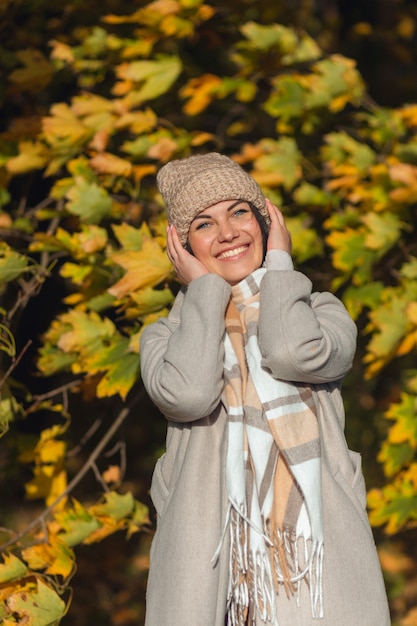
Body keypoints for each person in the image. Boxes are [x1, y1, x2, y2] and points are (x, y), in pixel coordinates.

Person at [139, 152, 391, 626]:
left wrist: (279, 264)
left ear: (265, 220)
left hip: (314, 563)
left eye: (239, 212)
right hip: (209, 563)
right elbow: (190, 394)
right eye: (204, 224)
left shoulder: (320, 311)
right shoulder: (166, 335)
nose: (229, 232)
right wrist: (205, 293)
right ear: (182, 246)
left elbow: (292, 352)